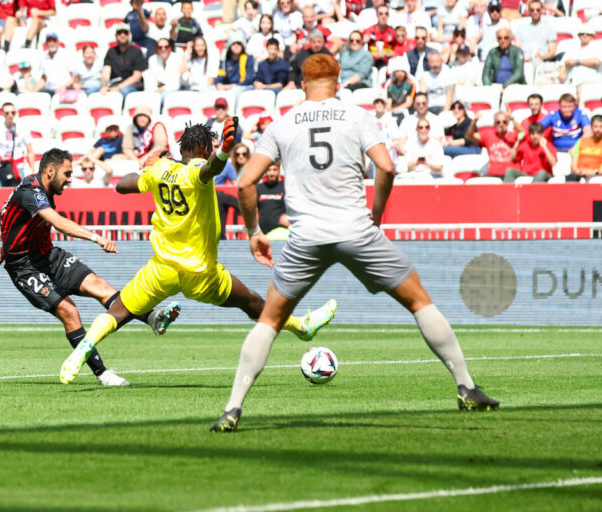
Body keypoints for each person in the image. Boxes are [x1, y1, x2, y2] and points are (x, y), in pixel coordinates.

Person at [210, 54, 498, 433]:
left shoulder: (281, 124)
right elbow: (388, 167)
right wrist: (376, 215)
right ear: (339, 80)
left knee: (270, 320)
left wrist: (253, 233)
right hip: (355, 229)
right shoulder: (357, 116)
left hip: (306, 236)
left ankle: (232, 409)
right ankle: (467, 387)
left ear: (300, 83)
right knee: (418, 300)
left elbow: (245, 183)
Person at [58, 122, 337, 385]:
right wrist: (225, 151)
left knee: (118, 312)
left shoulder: (161, 169)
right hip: (200, 272)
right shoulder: (197, 169)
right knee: (251, 301)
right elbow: (210, 170)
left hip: (161, 269)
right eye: (211, 148)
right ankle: (302, 327)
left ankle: (82, 350)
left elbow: (121, 186)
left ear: (182, 149)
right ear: (205, 149)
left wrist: (147, 168)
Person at [0, 148, 180, 387]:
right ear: (50, 171)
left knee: (101, 286)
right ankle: (103, 375)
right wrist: (96, 238)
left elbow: (15, 220)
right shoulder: (31, 192)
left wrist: (6, 245)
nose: (70, 178)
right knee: (69, 311)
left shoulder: (38, 190)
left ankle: (152, 318)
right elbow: (58, 223)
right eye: (67, 173)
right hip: (25, 267)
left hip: (48, 256)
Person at [0, 102, 36, 186]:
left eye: (13, 112)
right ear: (2, 114)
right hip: (1, 167)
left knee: (19, 196)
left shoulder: (23, 128)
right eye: (7, 113)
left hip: (18, 167)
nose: (10, 115)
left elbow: (30, 151)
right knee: (1, 196)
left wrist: (33, 171)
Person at [466, 111, 521, 177]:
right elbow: (469, 136)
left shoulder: (514, 135)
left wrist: (512, 118)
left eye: (504, 122)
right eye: (498, 122)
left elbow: (524, 132)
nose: (501, 124)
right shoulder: (489, 135)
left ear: (508, 123)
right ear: (494, 124)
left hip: (510, 174)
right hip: (493, 175)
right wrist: (474, 122)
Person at [101, 24, 147, 98]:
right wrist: (104, 86)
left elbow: (137, 76)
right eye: (119, 33)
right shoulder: (111, 52)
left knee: (123, 92)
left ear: (129, 35)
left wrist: (119, 87)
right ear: (116, 35)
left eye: (125, 33)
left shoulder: (137, 52)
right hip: (114, 84)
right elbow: (106, 71)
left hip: (132, 86)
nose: (122, 35)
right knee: (94, 91)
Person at [558, 26, 602, 93]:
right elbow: (564, 62)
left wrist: (577, 61)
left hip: (588, 81)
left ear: (593, 36)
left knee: (583, 92)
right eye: (582, 34)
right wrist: (562, 71)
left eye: (588, 34)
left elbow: (596, 61)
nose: (584, 36)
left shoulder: (596, 46)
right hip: (570, 81)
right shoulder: (573, 47)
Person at [216, 32, 255, 98]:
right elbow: (220, 77)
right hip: (228, 87)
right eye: (233, 44)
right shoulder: (225, 60)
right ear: (229, 46)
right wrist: (219, 84)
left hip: (244, 87)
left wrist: (233, 86)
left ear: (243, 45)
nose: (236, 46)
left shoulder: (248, 58)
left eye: (239, 44)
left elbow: (249, 79)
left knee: (234, 92)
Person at [257, 160, 289, 236]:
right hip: (263, 234)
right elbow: (254, 211)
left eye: (274, 170)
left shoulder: (286, 187)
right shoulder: (259, 188)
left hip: (282, 233)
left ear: (279, 170)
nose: (271, 173)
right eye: (268, 170)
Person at [568, 115, 602, 182]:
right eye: (595, 126)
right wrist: (578, 171)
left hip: (596, 175)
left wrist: (593, 172)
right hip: (579, 174)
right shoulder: (581, 141)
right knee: (570, 180)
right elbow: (574, 162)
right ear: (591, 127)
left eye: (601, 127)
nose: (598, 129)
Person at [363, 4, 395, 68]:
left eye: (386, 14)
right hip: (371, 62)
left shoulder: (393, 32)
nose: (383, 16)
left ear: (388, 16)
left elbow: (398, 51)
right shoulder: (369, 31)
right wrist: (363, 41)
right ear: (377, 15)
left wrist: (386, 54)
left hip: (387, 63)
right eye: (381, 14)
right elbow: (360, 50)